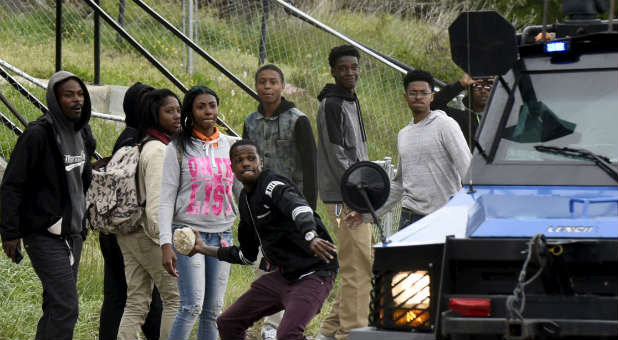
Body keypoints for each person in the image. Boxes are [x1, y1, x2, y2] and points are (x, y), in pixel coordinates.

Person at [189, 139, 338, 340]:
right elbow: (246, 255)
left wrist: (310, 235)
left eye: (251, 158)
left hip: (314, 274)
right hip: (284, 276)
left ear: (261, 163)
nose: (245, 163)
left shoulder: (273, 185)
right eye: (239, 160)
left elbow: (298, 207)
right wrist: (202, 248)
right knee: (228, 322)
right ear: (231, 167)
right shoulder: (245, 202)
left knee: (287, 335)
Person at [0, 70, 95, 339]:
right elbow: (12, 185)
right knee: (67, 307)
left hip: (74, 234)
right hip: (43, 235)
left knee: (55, 305)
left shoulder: (83, 132)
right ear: (54, 99)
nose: (77, 100)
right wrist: (10, 232)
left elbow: (82, 178)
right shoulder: (38, 134)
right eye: (68, 95)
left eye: (80, 94)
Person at [242, 63, 318, 340]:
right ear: (256, 86)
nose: (267, 87)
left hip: (292, 206)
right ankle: (268, 324)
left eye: (273, 82)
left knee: (294, 265)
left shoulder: (298, 119)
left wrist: (309, 207)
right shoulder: (251, 121)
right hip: (262, 206)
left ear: (282, 86)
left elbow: (311, 166)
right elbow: (243, 162)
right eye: (262, 82)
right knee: (265, 264)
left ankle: (278, 326)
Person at [158, 85, 239, 340]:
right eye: (201, 106)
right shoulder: (178, 147)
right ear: (190, 112)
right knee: (191, 306)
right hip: (188, 235)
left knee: (213, 310)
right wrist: (165, 243)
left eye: (212, 106)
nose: (208, 111)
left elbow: (241, 193)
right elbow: (166, 198)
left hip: (223, 234)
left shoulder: (230, 146)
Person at [350, 69, 471, 230]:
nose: (418, 97)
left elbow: (468, 170)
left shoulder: (446, 125)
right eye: (413, 93)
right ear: (405, 97)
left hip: (443, 217)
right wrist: (366, 213)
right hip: (409, 219)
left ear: (432, 97)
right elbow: (399, 184)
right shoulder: (404, 134)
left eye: (423, 93)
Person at [315, 45, 372, 340]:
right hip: (343, 200)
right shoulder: (333, 103)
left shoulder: (350, 99)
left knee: (357, 261)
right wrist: (357, 193)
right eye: (343, 68)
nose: (350, 73)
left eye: (354, 67)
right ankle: (351, 333)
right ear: (333, 71)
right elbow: (338, 155)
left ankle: (330, 331)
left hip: (353, 194)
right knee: (358, 265)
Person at [98, 82, 163, 340]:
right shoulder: (135, 139)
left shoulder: (133, 136)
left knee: (129, 296)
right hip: (128, 231)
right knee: (138, 297)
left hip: (120, 231)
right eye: (149, 102)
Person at [115, 89, 181, 340]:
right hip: (149, 234)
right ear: (155, 115)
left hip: (129, 232)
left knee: (136, 301)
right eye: (169, 111)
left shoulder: (144, 143)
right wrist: (166, 243)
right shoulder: (158, 151)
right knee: (176, 299)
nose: (177, 116)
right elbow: (156, 205)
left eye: (178, 110)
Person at [431, 73, 494, 148]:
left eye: (488, 87)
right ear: (470, 92)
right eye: (478, 86)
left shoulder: (502, 117)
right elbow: (433, 105)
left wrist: (501, 86)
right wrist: (460, 84)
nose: (483, 91)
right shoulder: (459, 117)